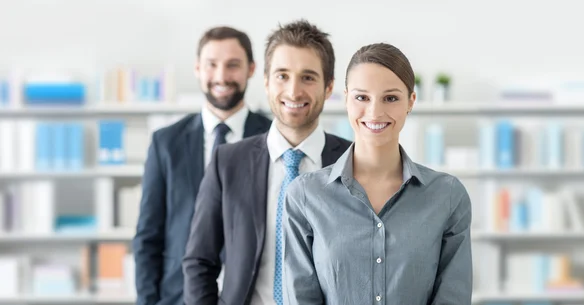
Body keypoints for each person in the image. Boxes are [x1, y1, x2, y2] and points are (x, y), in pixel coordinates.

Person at [283, 43, 473, 304]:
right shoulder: (305, 195)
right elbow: (301, 296)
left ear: (411, 102)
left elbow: (453, 297)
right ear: (347, 98)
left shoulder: (448, 195)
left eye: (391, 98)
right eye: (362, 97)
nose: (374, 112)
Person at [182, 19, 352, 305]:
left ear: (329, 86)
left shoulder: (352, 162)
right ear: (265, 81)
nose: (294, 91)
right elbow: (199, 261)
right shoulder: (228, 162)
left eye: (308, 77)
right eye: (282, 76)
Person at [132, 26, 272, 305]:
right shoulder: (166, 143)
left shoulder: (273, 139)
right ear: (198, 68)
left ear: (252, 69)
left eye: (233, 65)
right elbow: (148, 237)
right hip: (177, 297)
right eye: (211, 65)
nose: (221, 76)